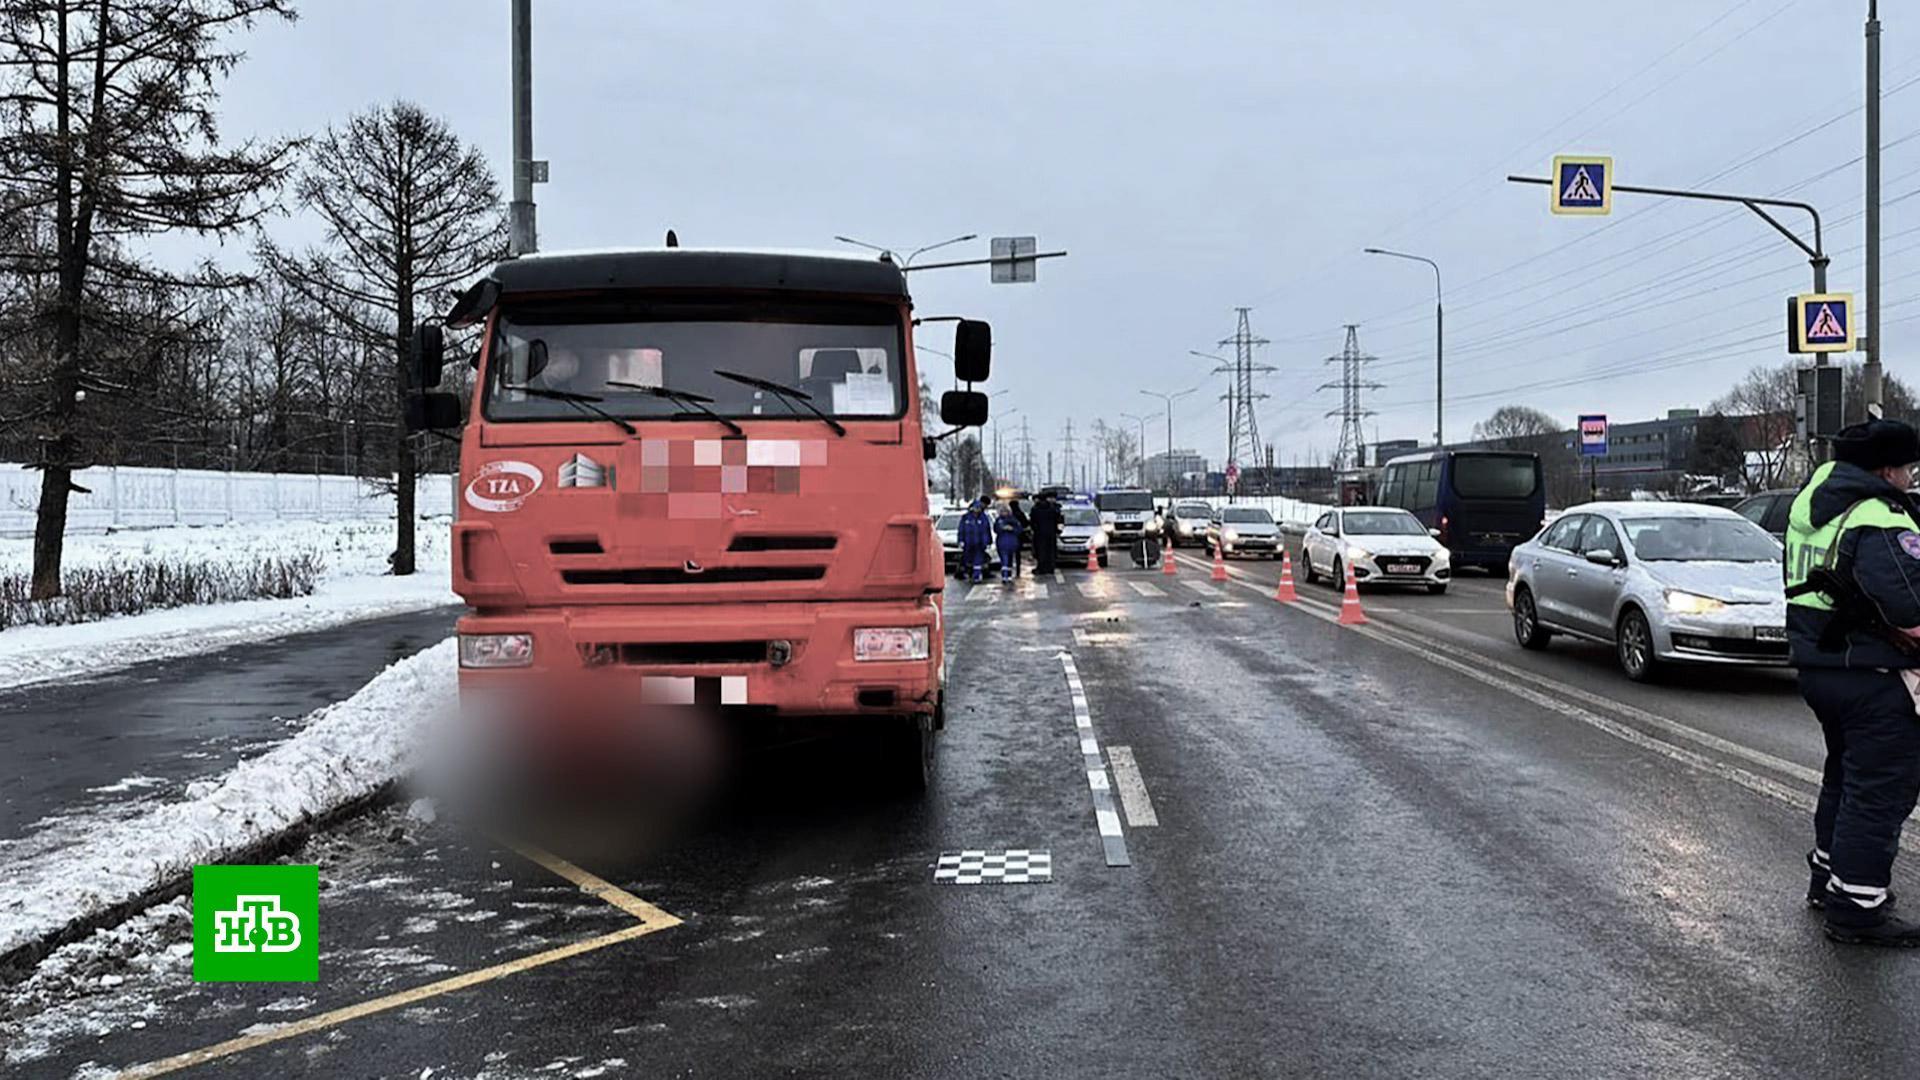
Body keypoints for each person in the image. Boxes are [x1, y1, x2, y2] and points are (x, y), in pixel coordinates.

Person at [1786, 418, 1920, 946]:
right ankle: (1858, 908)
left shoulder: (1815, 505)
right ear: (1887, 469)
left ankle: (1829, 879)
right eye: (1909, 468)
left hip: (1822, 669)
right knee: (1881, 789)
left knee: (1845, 777)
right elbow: (1907, 602)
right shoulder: (1878, 515)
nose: (1911, 478)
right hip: (1871, 673)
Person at [958, 498, 993, 584]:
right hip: (968, 543)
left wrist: (988, 541)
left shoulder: (983, 518)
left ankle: (977, 576)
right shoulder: (966, 518)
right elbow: (961, 530)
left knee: (978, 560)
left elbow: (987, 530)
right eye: (975, 508)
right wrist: (961, 540)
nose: (976, 510)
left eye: (978, 508)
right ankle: (970, 573)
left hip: (980, 543)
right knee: (969, 560)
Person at [1029, 491, 1063, 575]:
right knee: (1050, 550)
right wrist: (1057, 531)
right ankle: (1050, 568)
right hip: (1051, 533)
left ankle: (1041, 568)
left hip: (1039, 533)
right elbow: (1058, 520)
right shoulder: (1052, 509)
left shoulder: (1035, 509)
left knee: (1040, 551)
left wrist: (1034, 529)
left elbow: (1032, 521)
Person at [994, 502, 1022, 583]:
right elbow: (996, 529)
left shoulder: (1014, 520)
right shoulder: (999, 520)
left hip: (1012, 543)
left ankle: (1009, 575)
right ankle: (1004, 575)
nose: (1004, 513)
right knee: (1004, 560)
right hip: (1002, 543)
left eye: (1006, 511)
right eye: (1002, 511)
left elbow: (1019, 530)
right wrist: (1003, 529)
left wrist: (1012, 529)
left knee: (1010, 559)